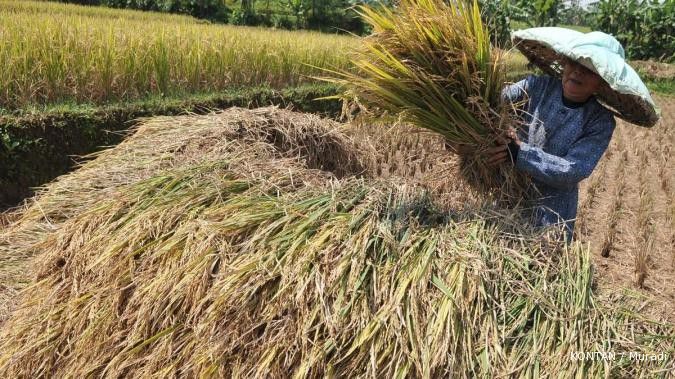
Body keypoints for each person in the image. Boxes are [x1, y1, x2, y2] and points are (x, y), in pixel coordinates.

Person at [452, 28, 660, 242]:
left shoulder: (600, 121)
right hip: (505, 200)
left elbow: (573, 169)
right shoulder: (535, 86)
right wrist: (465, 132)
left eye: (588, 69)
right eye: (573, 62)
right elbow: (489, 106)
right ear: (564, 64)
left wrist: (518, 153)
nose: (577, 71)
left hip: (550, 217)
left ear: (602, 81)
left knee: (539, 269)